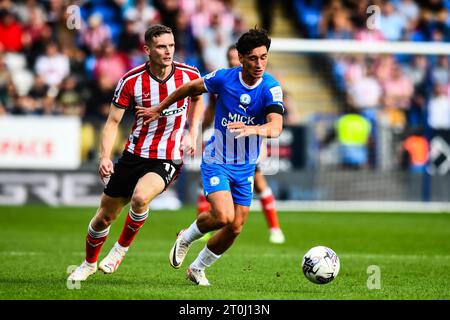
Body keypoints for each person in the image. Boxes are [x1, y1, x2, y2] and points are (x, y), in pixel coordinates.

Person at [136, 28, 284, 286]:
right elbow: (190, 87)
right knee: (224, 216)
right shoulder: (225, 78)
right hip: (218, 159)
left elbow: (276, 127)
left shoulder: (271, 88)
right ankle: (187, 237)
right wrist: (160, 108)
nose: (259, 64)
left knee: (235, 227)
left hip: (245, 167)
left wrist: (253, 129)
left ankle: (197, 268)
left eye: (263, 57)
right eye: (252, 58)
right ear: (240, 58)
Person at [68, 25, 203, 282]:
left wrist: (192, 131)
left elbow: (198, 98)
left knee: (141, 197)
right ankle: (88, 263)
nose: (168, 51)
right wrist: (105, 156)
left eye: (171, 46)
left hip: (168, 155)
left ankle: (119, 250)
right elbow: (112, 123)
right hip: (134, 154)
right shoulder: (131, 81)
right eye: (162, 46)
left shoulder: (189, 74)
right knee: (104, 217)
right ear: (147, 49)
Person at [197, 45, 285, 244]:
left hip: (249, 148)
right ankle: (201, 230)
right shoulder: (223, 81)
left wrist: (256, 132)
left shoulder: (265, 85)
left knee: (260, 184)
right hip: (222, 148)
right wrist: (199, 134)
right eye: (230, 59)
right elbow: (210, 110)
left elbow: (274, 123)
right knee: (209, 188)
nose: (233, 63)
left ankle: (275, 228)